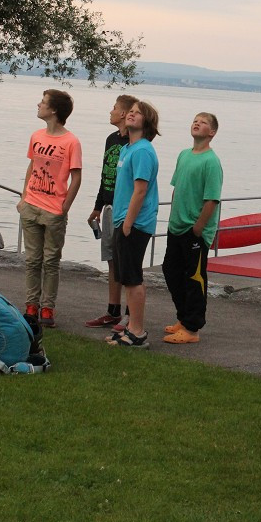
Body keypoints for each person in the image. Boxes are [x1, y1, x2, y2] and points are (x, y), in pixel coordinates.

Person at [17, 89, 82, 328]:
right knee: (32, 260)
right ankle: (31, 304)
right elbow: (32, 166)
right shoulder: (37, 136)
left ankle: (48, 307)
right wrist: (24, 197)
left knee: (51, 260)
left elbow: (76, 176)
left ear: (53, 110)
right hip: (31, 206)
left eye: (43, 102)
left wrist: (65, 207)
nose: (39, 105)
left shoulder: (71, 142)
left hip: (54, 209)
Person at [161, 112, 224, 344]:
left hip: (194, 231)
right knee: (170, 271)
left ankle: (192, 329)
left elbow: (212, 200)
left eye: (204, 122)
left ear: (212, 132)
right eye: (195, 120)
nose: (197, 123)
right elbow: (177, 188)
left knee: (194, 278)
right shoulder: (184, 155)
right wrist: (172, 217)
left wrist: (198, 228)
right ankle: (183, 318)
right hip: (176, 226)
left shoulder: (211, 161)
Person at [105, 101, 160, 349]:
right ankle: (130, 327)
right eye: (130, 111)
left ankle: (137, 331)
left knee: (133, 278)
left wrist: (127, 224)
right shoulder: (129, 148)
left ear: (146, 122)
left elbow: (140, 190)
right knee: (125, 276)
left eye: (137, 113)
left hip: (135, 223)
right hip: (123, 220)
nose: (130, 114)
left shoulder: (143, 151)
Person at [85, 94, 139, 330]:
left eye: (115, 108)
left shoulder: (135, 144)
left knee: (126, 262)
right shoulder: (110, 139)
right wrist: (98, 206)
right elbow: (105, 174)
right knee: (111, 260)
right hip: (108, 207)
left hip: (124, 209)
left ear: (125, 114)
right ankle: (113, 310)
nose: (111, 111)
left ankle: (131, 314)